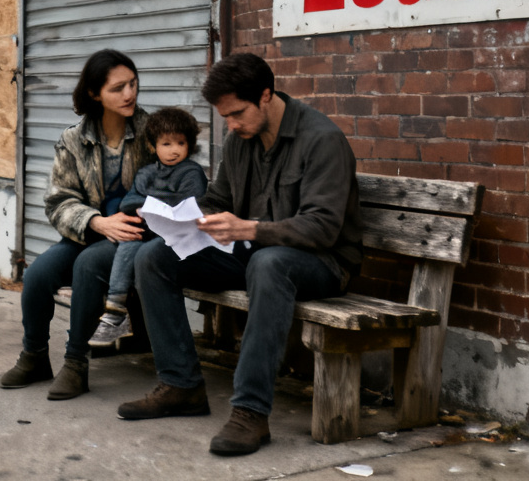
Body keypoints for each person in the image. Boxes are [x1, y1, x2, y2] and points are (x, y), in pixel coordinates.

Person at [118, 52, 363, 456]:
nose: (230, 125)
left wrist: (249, 229)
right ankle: (181, 385)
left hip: (321, 264)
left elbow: (322, 228)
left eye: (236, 114)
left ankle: (251, 412)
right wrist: (191, 221)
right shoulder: (240, 140)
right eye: (224, 117)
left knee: (270, 264)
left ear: (265, 96)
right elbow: (218, 199)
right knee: (154, 257)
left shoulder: (322, 140)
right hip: (253, 253)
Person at [0, 49, 152, 400]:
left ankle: (76, 363)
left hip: (135, 238)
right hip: (92, 231)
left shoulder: (151, 131)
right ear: (95, 94)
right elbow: (58, 200)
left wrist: (133, 221)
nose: (129, 94)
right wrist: (97, 222)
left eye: (133, 84)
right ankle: (34, 356)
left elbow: (174, 179)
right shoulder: (73, 139)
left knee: (88, 265)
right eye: (118, 88)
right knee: (38, 275)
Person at [88, 106, 208, 348]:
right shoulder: (146, 173)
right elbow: (128, 202)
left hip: (178, 239)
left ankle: (115, 312)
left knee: (143, 246)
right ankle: (115, 310)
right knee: (130, 238)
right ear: (154, 146)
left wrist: (151, 203)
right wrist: (151, 205)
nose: (174, 150)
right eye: (166, 144)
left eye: (180, 143)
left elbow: (189, 204)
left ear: (190, 145)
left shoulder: (191, 172)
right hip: (147, 232)